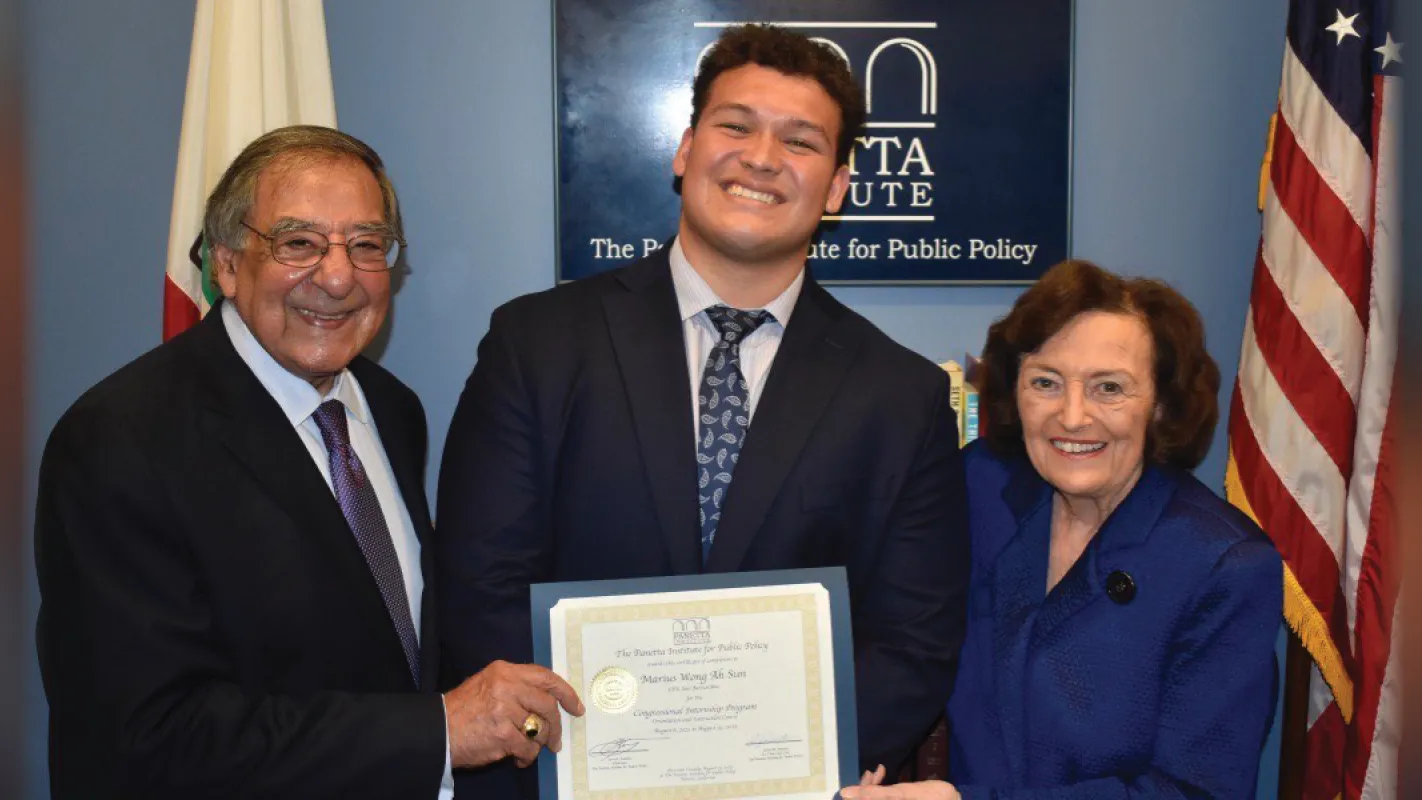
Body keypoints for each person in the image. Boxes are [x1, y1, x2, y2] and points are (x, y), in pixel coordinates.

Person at [437, 23, 970, 798]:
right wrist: (581, 754)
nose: (761, 157)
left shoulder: (904, 396)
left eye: (801, 141)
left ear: (839, 187)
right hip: (564, 777)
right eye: (735, 125)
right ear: (685, 149)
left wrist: (777, 771)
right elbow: (481, 586)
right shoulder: (538, 343)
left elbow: (911, 643)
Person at [34, 125, 582, 800]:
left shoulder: (390, 410)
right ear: (227, 263)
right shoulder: (120, 440)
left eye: (366, 245)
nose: (337, 275)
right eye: (298, 243)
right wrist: (437, 733)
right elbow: (146, 735)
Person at [841, 260, 1282, 800]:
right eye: (1046, 383)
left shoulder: (1224, 564)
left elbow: (1194, 791)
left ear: (1161, 406)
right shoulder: (980, 485)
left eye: (1109, 388)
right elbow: (886, 625)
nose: (1072, 417)